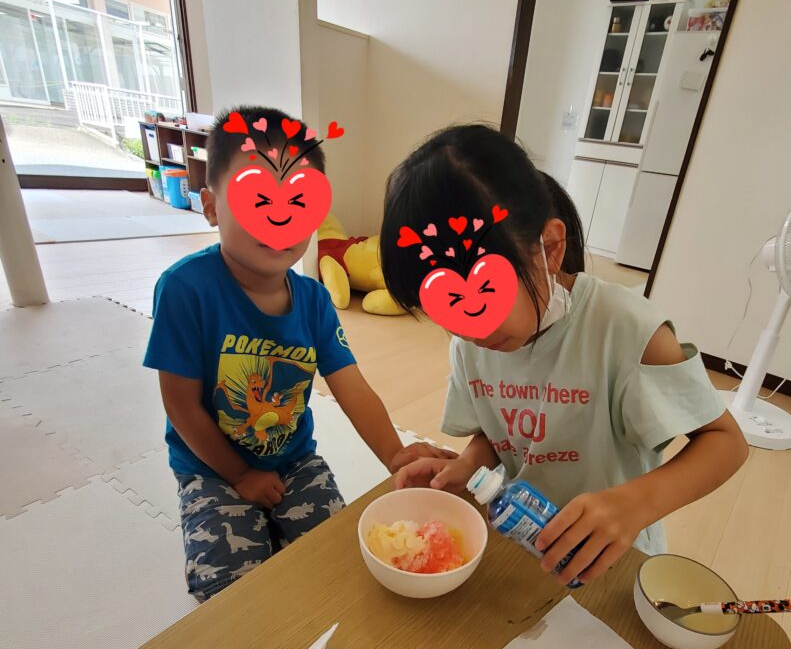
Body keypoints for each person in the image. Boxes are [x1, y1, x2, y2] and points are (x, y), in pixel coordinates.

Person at [382, 124, 748, 585]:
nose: (468, 329)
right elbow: (498, 437)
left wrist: (635, 504)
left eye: (484, 294)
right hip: (523, 542)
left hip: (611, 560)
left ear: (550, 249)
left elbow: (726, 443)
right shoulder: (473, 345)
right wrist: (469, 467)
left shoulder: (626, 329)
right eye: (446, 305)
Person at [144, 106, 452, 601]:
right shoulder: (185, 289)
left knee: (339, 561)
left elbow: (352, 387)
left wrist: (395, 455)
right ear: (212, 206)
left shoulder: (312, 300)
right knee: (229, 591)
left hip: (293, 460)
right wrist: (240, 475)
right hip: (211, 467)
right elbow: (180, 405)